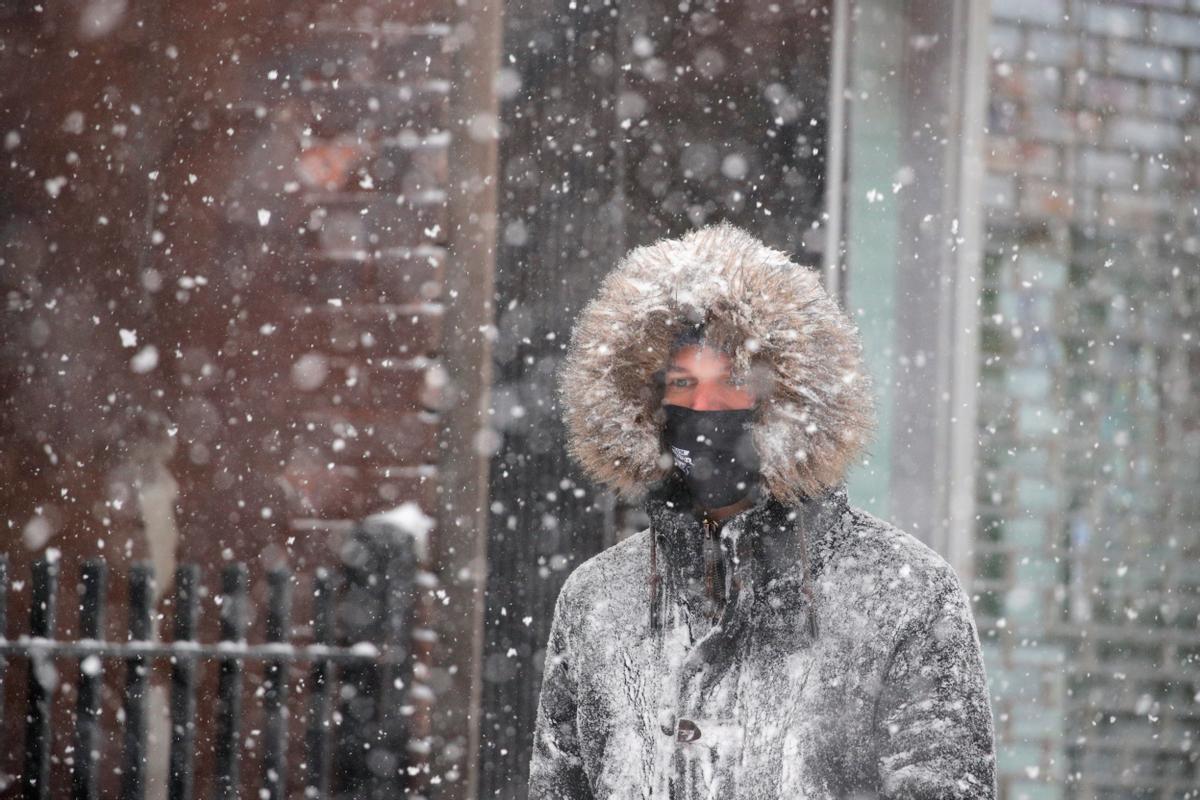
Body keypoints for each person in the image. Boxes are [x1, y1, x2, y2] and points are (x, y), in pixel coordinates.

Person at [528, 221, 997, 798]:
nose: (704, 408)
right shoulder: (598, 600)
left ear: (787, 401)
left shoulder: (904, 596)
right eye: (682, 383)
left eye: (731, 383)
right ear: (644, 405)